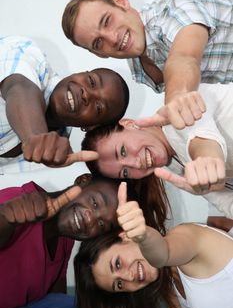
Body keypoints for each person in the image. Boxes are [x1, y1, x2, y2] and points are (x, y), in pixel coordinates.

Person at [62, 0, 233, 129]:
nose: (112, 38)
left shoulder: (170, 12)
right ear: (99, 54)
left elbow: (184, 57)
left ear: (120, 2)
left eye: (107, 21)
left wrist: (176, 96)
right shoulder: (139, 68)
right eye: (98, 42)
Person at [75, 182, 233, 308]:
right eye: (119, 284)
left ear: (125, 236)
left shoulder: (185, 237)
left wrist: (143, 235)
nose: (129, 277)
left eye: (117, 264)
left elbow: (164, 252)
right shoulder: (172, 287)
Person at [81, 81, 233, 220]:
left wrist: (207, 159)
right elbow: (227, 203)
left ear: (128, 124)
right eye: (125, 172)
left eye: (122, 151)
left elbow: (202, 140)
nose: (135, 164)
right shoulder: (175, 168)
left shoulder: (179, 106)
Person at [0, 173, 138, 308]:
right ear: (83, 180)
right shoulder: (23, 204)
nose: (90, 218)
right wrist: (5, 218)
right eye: (94, 202)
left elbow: (56, 295)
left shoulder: (64, 243)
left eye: (102, 224)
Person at [0, 35, 129, 174]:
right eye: (91, 81)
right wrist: (35, 136)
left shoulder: (57, 151)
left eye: (98, 107)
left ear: (89, 126)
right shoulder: (30, 55)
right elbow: (20, 87)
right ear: (81, 73)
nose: (87, 94)